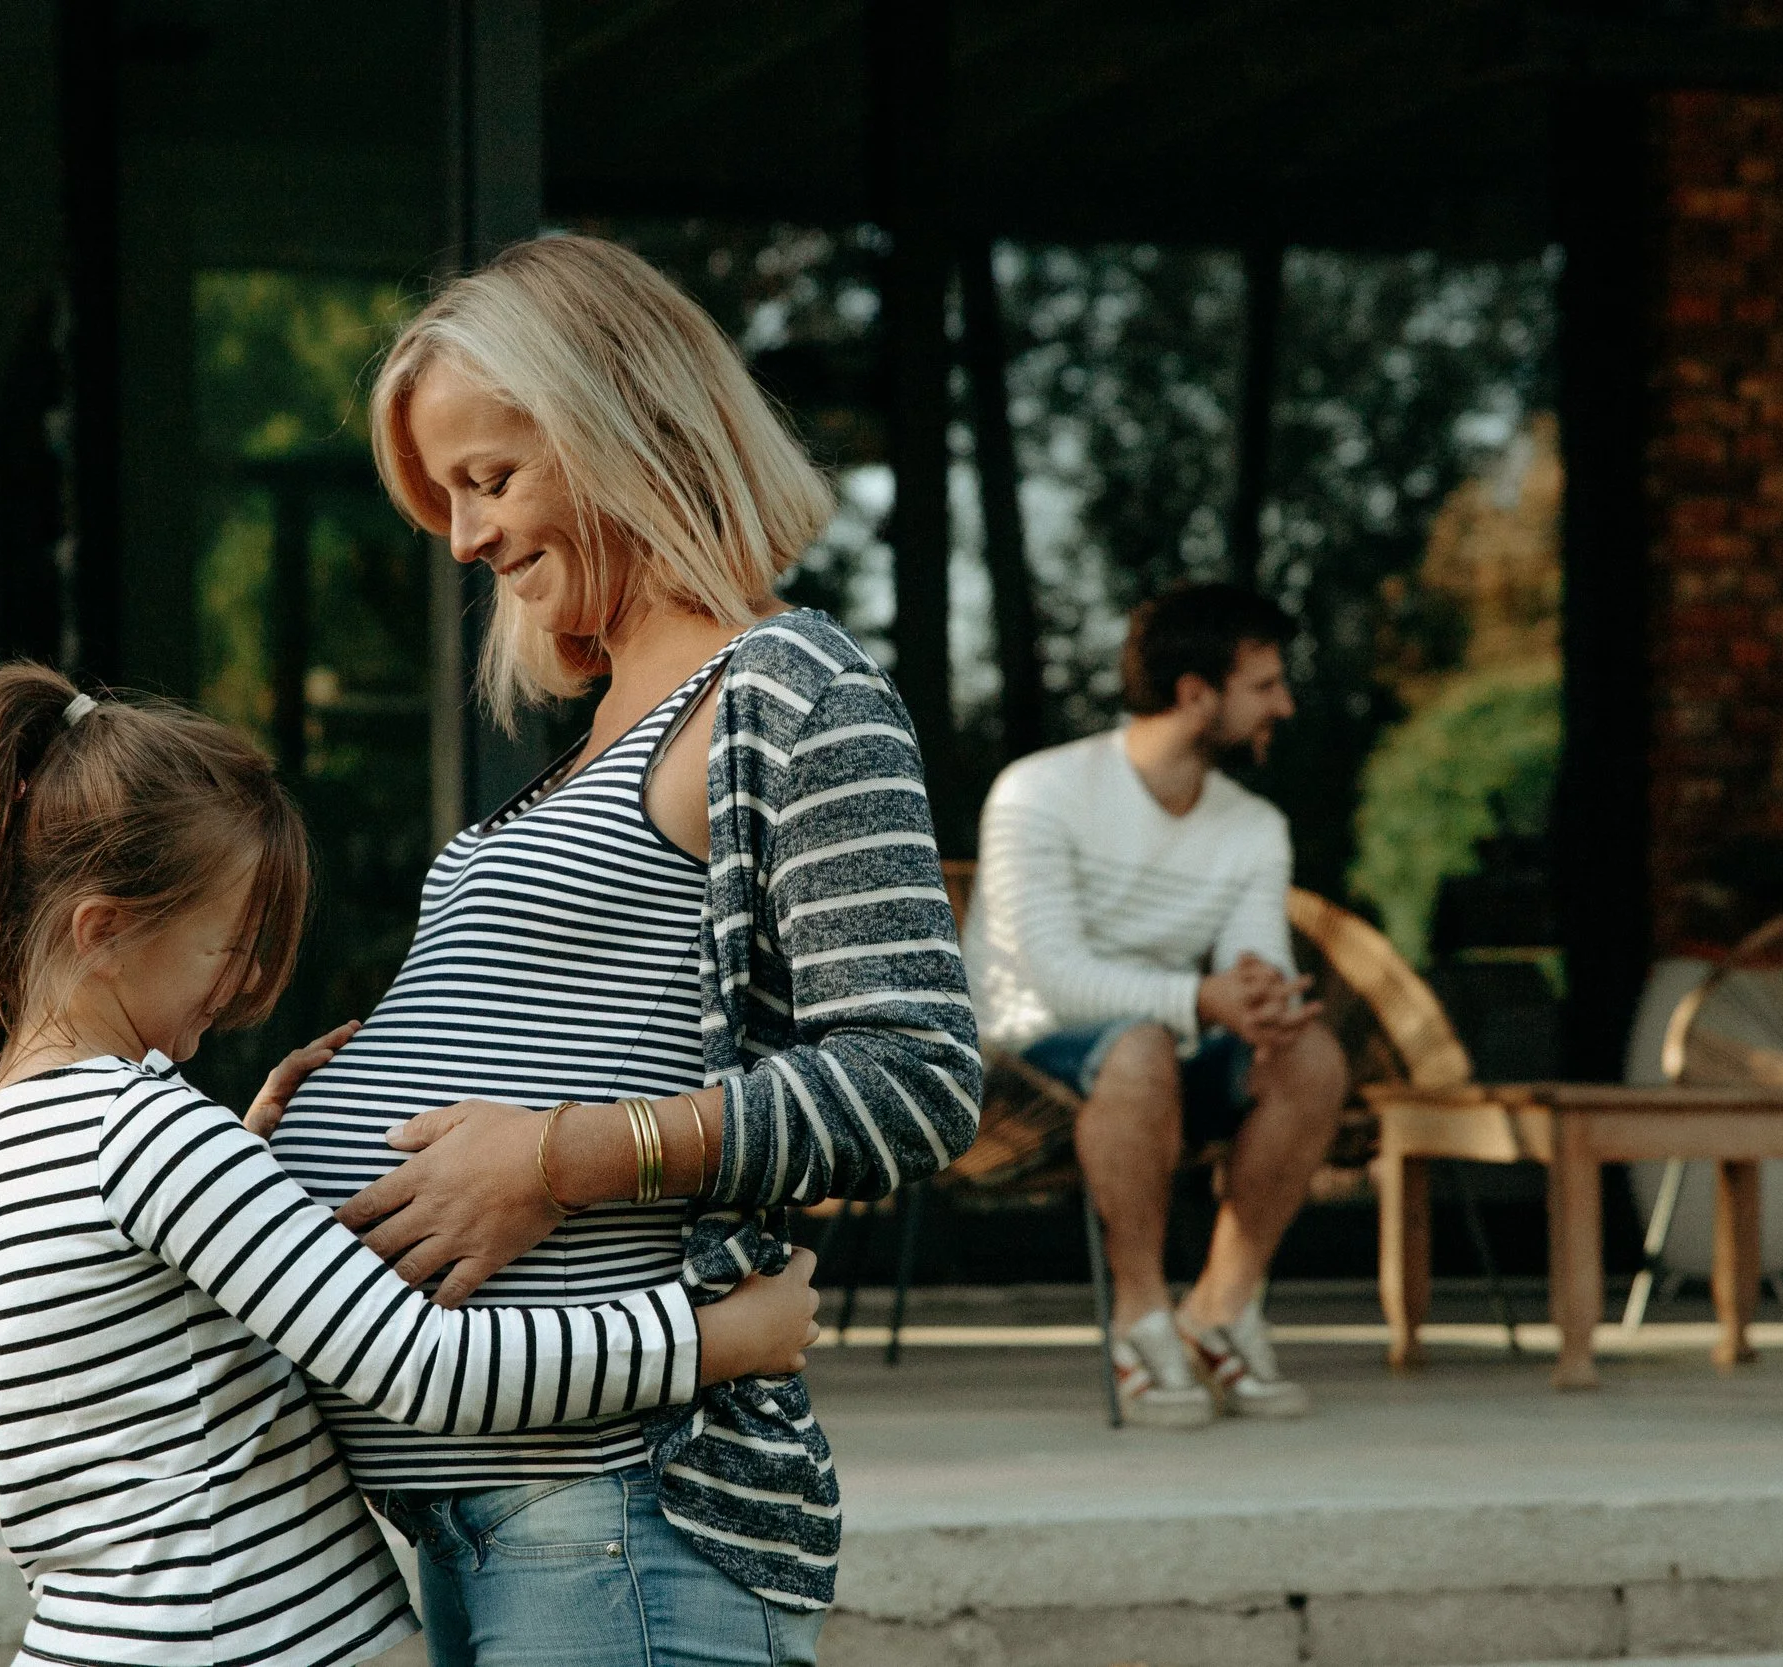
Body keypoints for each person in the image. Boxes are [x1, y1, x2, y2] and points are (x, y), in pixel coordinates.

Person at [268, 234, 980, 1667]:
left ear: (625, 426)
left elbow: (916, 1076)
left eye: (490, 478)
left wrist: (559, 1159)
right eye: (446, 501)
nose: (465, 540)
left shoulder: (792, 687)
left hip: (628, 1516)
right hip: (501, 1516)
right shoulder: (589, 743)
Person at [0, 662, 822, 1667]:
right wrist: (712, 1336)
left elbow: (151, 1364)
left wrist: (243, 1165)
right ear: (105, 931)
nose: (246, 983)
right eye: (229, 945)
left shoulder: (5, 1125)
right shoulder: (146, 1134)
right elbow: (426, 1368)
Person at [964, 583, 1347, 1428]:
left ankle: (1219, 1309)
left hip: (1161, 1049)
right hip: (1020, 1055)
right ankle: (1141, 1314)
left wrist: (1268, 1003)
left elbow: (1254, 964)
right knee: (1137, 1046)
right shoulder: (1042, 790)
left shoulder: (1252, 824)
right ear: (1194, 692)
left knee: (1310, 1053)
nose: (1282, 703)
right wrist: (1202, 998)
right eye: (1265, 684)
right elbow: (1054, 978)